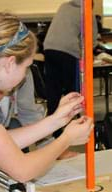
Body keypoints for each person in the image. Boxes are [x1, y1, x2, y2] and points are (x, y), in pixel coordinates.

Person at [0, 12, 93, 182]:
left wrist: (56, 121)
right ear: (9, 63)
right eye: (26, 67)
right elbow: (22, 170)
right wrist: (67, 138)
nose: (25, 75)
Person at [43, 0, 98, 158]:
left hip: (50, 48)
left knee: (53, 91)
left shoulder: (64, 6)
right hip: (68, 52)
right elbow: (91, 39)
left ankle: (54, 131)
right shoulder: (87, 10)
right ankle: (78, 129)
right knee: (73, 92)